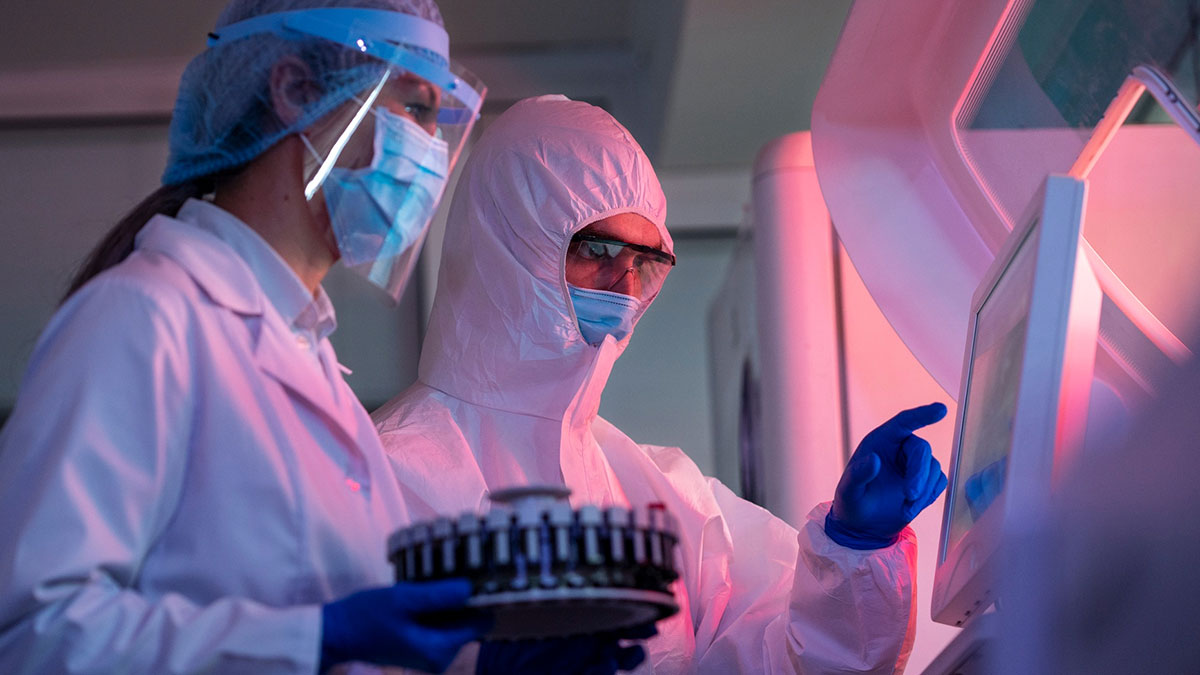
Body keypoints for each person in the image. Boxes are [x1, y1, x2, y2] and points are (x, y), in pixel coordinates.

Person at [373, 95, 949, 673]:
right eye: (597, 249)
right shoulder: (380, 479)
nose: (623, 290)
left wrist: (853, 551)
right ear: (508, 245)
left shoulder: (661, 494)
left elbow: (792, 661)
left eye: (643, 261)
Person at [0, 1, 493, 673]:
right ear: (293, 90)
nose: (431, 150)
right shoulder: (142, 318)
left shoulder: (319, 369)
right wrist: (309, 637)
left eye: (439, 119)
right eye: (414, 107)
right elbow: (35, 634)